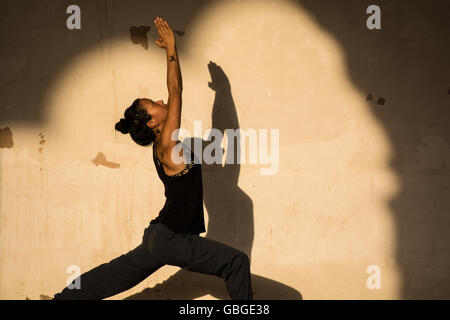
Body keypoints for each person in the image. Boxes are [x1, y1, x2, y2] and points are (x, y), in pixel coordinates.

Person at [53, 17, 253, 300]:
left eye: (157, 101)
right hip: (171, 238)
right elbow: (175, 91)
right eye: (154, 105)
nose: (161, 102)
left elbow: (217, 135)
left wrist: (223, 95)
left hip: (160, 237)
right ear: (151, 124)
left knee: (112, 275)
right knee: (236, 263)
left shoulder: (165, 147)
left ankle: (64, 299)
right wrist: (172, 48)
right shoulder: (166, 145)